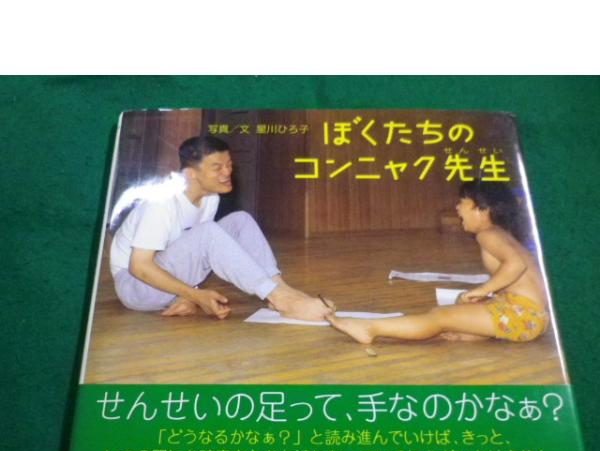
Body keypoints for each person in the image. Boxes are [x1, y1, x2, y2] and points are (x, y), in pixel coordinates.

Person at [109, 135, 334, 321]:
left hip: (167, 280)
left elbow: (192, 255)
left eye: (229, 165)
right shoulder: (161, 203)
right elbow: (139, 267)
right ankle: (281, 299)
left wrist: (189, 295)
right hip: (135, 286)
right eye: (217, 167)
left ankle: (280, 290)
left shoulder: (210, 198)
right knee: (208, 232)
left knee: (241, 220)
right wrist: (195, 295)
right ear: (190, 174)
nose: (227, 172)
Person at [327, 180, 549, 344]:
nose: (457, 208)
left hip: (524, 315)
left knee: (440, 316)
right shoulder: (501, 233)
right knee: (458, 307)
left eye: (462, 202)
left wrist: (483, 289)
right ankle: (472, 332)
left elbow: (516, 265)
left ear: (482, 210)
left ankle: (370, 328)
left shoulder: (488, 234)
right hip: (529, 314)